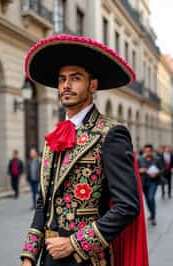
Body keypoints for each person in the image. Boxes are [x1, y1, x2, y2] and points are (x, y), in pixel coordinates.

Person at [20, 35, 148, 266]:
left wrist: (73, 244)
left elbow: (127, 206)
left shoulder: (111, 133)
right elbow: (43, 203)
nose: (66, 86)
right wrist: (29, 255)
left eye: (75, 78)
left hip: (87, 259)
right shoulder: (53, 138)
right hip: (48, 258)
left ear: (93, 84)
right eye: (61, 80)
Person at [138, 144, 162, 225]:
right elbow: (135, 170)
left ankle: (153, 216)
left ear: (152, 151)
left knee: (151, 198)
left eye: (149, 151)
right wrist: (139, 170)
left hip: (153, 182)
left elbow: (163, 169)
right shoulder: (140, 159)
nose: (148, 152)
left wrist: (157, 173)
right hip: (144, 182)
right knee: (148, 199)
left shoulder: (157, 159)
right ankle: (151, 214)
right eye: (146, 151)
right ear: (144, 151)